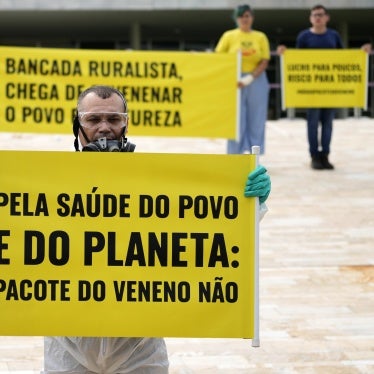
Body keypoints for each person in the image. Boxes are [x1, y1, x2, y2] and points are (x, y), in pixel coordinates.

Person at [42, 85, 271, 373]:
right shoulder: (46, 183)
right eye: (93, 119)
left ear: (126, 123)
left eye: (114, 119)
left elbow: (206, 231)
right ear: (78, 123)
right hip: (68, 348)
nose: (104, 128)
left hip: (139, 350)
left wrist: (248, 204)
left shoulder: (155, 182)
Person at [277, 4, 372, 170]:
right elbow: (297, 60)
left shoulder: (334, 36)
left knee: (328, 124)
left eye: (320, 15)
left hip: (329, 91)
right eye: (314, 15)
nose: (317, 18)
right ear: (310, 18)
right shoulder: (304, 36)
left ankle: (325, 155)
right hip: (312, 91)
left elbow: (343, 59)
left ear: (327, 17)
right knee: (312, 124)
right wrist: (285, 52)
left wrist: (361, 52)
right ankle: (314, 156)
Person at [215, 4, 270, 155]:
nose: (244, 19)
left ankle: (255, 155)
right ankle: (234, 154)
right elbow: (218, 57)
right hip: (235, 80)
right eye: (241, 16)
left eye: (247, 16)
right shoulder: (229, 36)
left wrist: (250, 78)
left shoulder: (260, 36)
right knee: (236, 119)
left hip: (256, 79)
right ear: (236, 19)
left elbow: (264, 60)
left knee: (256, 118)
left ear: (252, 18)